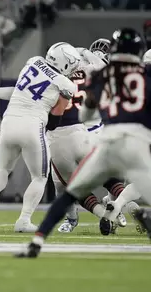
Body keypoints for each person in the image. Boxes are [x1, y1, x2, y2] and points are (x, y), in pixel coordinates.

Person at [0, 43, 139, 233]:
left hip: (15, 125)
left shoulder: (34, 61)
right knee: (45, 178)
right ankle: (26, 219)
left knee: (6, 170)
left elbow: (20, 93)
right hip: (78, 133)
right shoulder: (71, 81)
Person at [16, 28, 151, 258]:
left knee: (70, 193)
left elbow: (85, 115)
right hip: (137, 141)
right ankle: (124, 210)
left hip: (105, 142)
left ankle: (36, 243)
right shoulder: (145, 74)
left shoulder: (100, 74)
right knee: (132, 186)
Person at [0, 42, 80, 232]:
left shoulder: (34, 62)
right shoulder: (66, 84)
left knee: (2, 168)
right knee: (39, 177)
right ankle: (24, 220)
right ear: (66, 63)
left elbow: (16, 92)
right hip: (32, 126)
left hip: (9, 121)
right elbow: (55, 118)